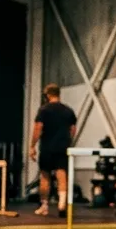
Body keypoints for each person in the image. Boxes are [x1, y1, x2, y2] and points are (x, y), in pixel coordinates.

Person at [30, 84, 76, 217]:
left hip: (47, 147)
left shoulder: (44, 110)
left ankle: (44, 206)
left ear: (48, 95)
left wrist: (32, 146)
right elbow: (73, 129)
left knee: (45, 176)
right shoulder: (68, 111)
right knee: (62, 175)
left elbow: (38, 128)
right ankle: (62, 204)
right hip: (62, 147)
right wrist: (67, 141)